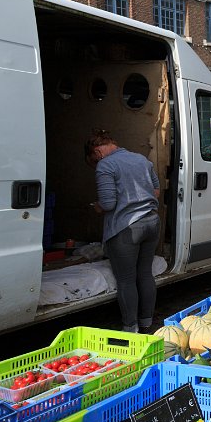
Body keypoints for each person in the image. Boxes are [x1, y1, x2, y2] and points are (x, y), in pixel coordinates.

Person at [86, 131, 160, 334]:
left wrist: (98, 207)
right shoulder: (141, 159)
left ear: (97, 152)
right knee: (145, 274)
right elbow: (156, 191)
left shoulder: (106, 165)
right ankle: (147, 323)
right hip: (152, 222)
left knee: (126, 279)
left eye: (93, 160)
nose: (96, 163)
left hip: (126, 228)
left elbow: (109, 203)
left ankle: (130, 328)